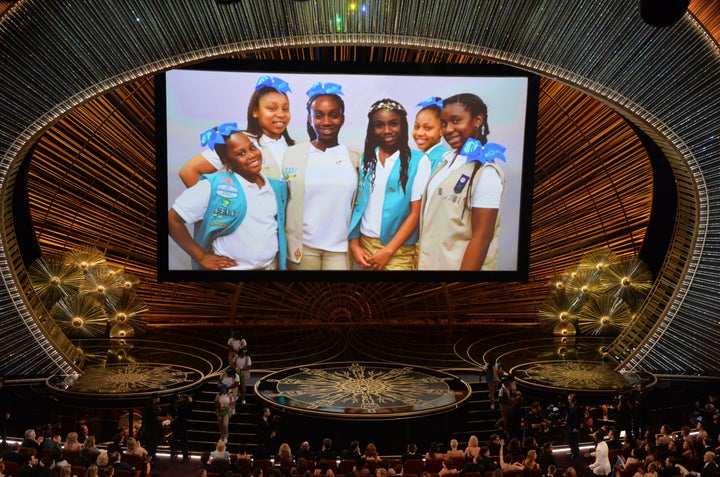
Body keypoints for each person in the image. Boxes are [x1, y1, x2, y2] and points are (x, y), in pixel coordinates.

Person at [169, 125, 288, 271]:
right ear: (226, 163)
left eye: (252, 148)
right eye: (241, 153)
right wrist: (201, 257)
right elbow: (172, 220)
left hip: (270, 267)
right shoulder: (212, 187)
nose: (252, 155)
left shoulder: (276, 187)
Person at [417, 93, 506, 271]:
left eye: (456, 121)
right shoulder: (446, 161)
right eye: (444, 123)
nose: (448, 130)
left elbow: (482, 238)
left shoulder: (486, 173)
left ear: (477, 120)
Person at [283, 82, 360, 270]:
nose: (326, 121)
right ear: (310, 119)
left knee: (338, 299)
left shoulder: (355, 159)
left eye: (333, 115)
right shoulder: (292, 154)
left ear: (342, 118)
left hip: (340, 250)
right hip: (303, 249)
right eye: (318, 115)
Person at [348, 98, 430, 271]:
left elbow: (415, 214)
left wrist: (388, 251)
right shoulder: (367, 158)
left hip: (398, 251)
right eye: (379, 125)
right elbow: (358, 204)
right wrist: (354, 244)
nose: (387, 130)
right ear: (372, 128)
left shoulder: (418, 161)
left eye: (393, 124)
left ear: (403, 126)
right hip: (364, 247)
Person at [179, 75, 294, 186]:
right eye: (272, 108)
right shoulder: (240, 141)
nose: (280, 114)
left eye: (285, 109)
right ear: (255, 111)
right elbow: (189, 172)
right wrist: (214, 203)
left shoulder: (296, 147)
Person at [413, 97, 451, 172]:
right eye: (417, 127)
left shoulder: (446, 158)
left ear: (442, 130)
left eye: (427, 128)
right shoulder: (415, 157)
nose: (419, 133)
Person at [170, 392, 193, 462]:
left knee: (174, 440)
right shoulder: (185, 405)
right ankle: (185, 457)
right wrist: (190, 403)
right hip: (183, 425)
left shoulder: (174, 404)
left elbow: (171, 414)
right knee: (184, 441)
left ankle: (173, 455)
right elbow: (189, 413)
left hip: (175, 424)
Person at [565, 393, 583, 460]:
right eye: (568, 399)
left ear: (573, 399)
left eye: (570, 399)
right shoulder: (570, 406)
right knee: (569, 440)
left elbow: (578, 418)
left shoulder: (577, 407)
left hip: (574, 427)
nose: (568, 400)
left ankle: (576, 454)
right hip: (570, 426)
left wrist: (576, 428)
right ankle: (572, 451)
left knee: (574, 441)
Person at [0, 377, 9, 445]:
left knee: (3, 426)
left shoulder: (5, 391)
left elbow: (7, 402)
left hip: (2, 412)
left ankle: (4, 440)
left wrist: (7, 412)